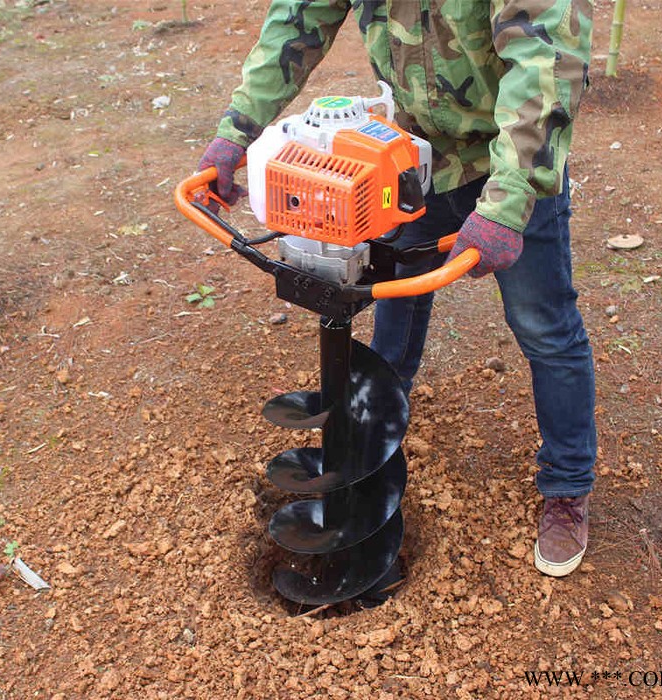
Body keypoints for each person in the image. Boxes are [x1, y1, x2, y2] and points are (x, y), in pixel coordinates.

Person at [198, 0, 597, 578]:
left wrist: (508, 203)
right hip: (413, 159)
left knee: (544, 326)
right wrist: (236, 133)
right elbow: (299, 19)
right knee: (394, 295)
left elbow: (547, 60)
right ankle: (372, 434)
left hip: (510, 162)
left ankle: (567, 485)